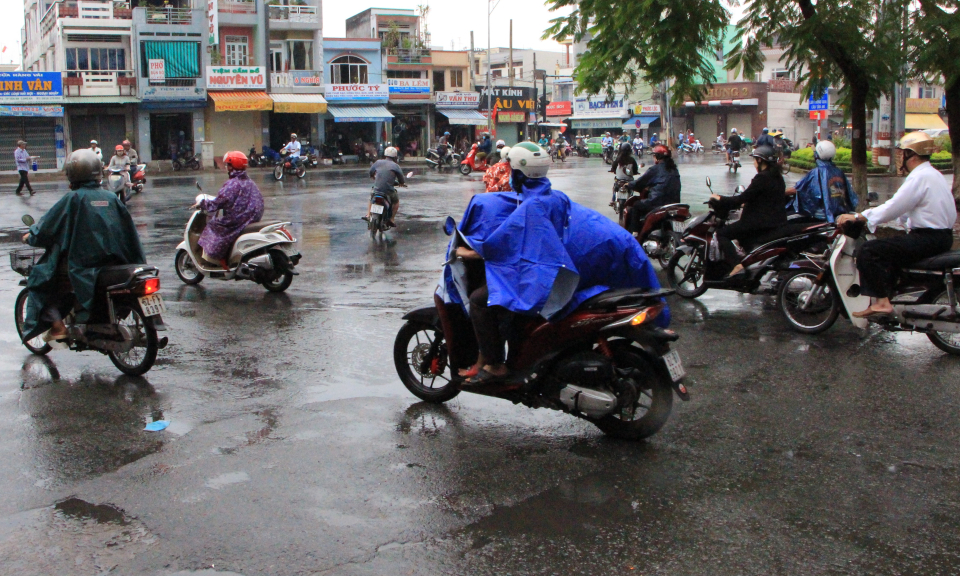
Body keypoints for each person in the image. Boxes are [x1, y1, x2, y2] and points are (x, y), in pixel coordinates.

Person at [448, 143, 668, 384]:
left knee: (481, 299)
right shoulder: (552, 196)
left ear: (519, 173)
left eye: (512, 170)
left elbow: (502, 245)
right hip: (597, 252)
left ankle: (495, 365)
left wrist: (467, 253)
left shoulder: (533, 206)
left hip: (551, 272)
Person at [19, 149, 144, 343]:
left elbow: (47, 228)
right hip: (117, 261)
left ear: (72, 173)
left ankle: (58, 326)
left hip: (84, 264)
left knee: (39, 279)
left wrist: (31, 237)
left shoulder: (73, 199)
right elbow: (129, 233)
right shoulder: (111, 198)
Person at [836, 132, 957, 318]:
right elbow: (906, 210)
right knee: (889, 248)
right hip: (939, 237)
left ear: (912, 154)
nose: (901, 157)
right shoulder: (934, 174)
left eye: (903, 153)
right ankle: (890, 295)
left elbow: (894, 206)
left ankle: (882, 302)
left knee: (869, 251)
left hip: (928, 238)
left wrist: (860, 216)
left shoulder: (919, 177)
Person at [709, 145, 787, 276]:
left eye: (755, 160)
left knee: (722, 234)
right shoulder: (778, 177)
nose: (754, 163)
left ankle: (736, 266)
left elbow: (741, 199)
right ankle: (749, 265)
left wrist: (720, 198)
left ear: (760, 161)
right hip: (776, 222)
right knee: (741, 236)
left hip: (758, 223)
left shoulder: (762, 178)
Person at [193, 151, 264, 269]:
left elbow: (220, 201)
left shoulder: (232, 184)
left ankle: (216, 258)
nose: (226, 167)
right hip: (252, 217)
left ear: (232, 166)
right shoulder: (249, 182)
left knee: (212, 225)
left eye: (228, 165)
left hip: (239, 219)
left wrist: (204, 204)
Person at [786, 140, 858, 223]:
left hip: (820, 215)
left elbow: (797, 189)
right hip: (839, 213)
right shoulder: (839, 171)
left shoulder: (815, 172)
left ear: (817, 154)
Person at [626, 144, 681, 233]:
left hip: (657, 202)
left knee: (636, 205)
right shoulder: (674, 169)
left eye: (654, 156)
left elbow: (640, 182)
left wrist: (628, 184)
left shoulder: (655, 169)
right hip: (674, 203)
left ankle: (635, 234)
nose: (653, 158)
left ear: (658, 157)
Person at [364, 146, 405, 226]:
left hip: (377, 190)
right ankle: (391, 219)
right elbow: (401, 179)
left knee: (371, 197)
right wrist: (401, 183)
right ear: (395, 156)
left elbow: (371, 171)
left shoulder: (378, 162)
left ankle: (368, 215)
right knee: (396, 202)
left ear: (385, 154)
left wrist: (372, 176)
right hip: (388, 191)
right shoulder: (396, 166)